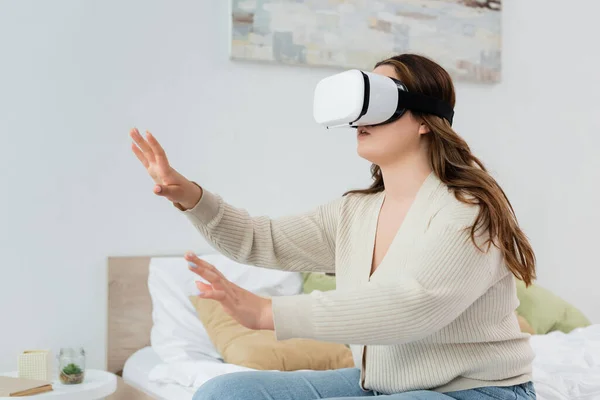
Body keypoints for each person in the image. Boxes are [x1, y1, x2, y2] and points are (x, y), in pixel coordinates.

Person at [130, 53, 537, 400]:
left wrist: (270, 312)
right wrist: (190, 196)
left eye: (380, 99)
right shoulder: (354, 212)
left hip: (474, 390)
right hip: (383, 384)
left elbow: (410, 308)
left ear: (424, 120)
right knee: (225, 393)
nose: (361, 117)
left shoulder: (468, 209)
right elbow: (262, 239)